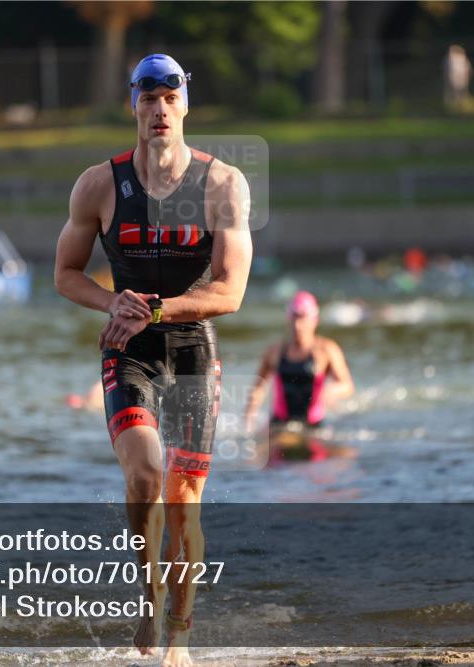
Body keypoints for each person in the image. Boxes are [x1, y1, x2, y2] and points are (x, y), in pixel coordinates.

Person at [54, 53, 252, 667]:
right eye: (148, 98)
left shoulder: (222, 184)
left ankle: (181, 636)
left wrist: (159, 309)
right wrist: (116, 301)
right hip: (129, 351)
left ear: (185, 105)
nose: (159, 109)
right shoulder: (98, 185)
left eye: (170, 97)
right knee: (143, 476)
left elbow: (230, 292)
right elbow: (64, 275)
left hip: (191, 348)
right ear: (133, 106)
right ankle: (148, 595)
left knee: (184, 500)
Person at [245, 291, 355, 462]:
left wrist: (332, 390)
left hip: (314, 425)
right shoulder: (274, 352)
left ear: (314, 320)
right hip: (279, 423)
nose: (298, 325)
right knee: (250, 456)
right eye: (294, 318)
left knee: (346, 457)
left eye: (303, 318)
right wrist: (249, 416)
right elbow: (259, 387)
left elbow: (347, 385)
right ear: (288, 319)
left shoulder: (326, 350)